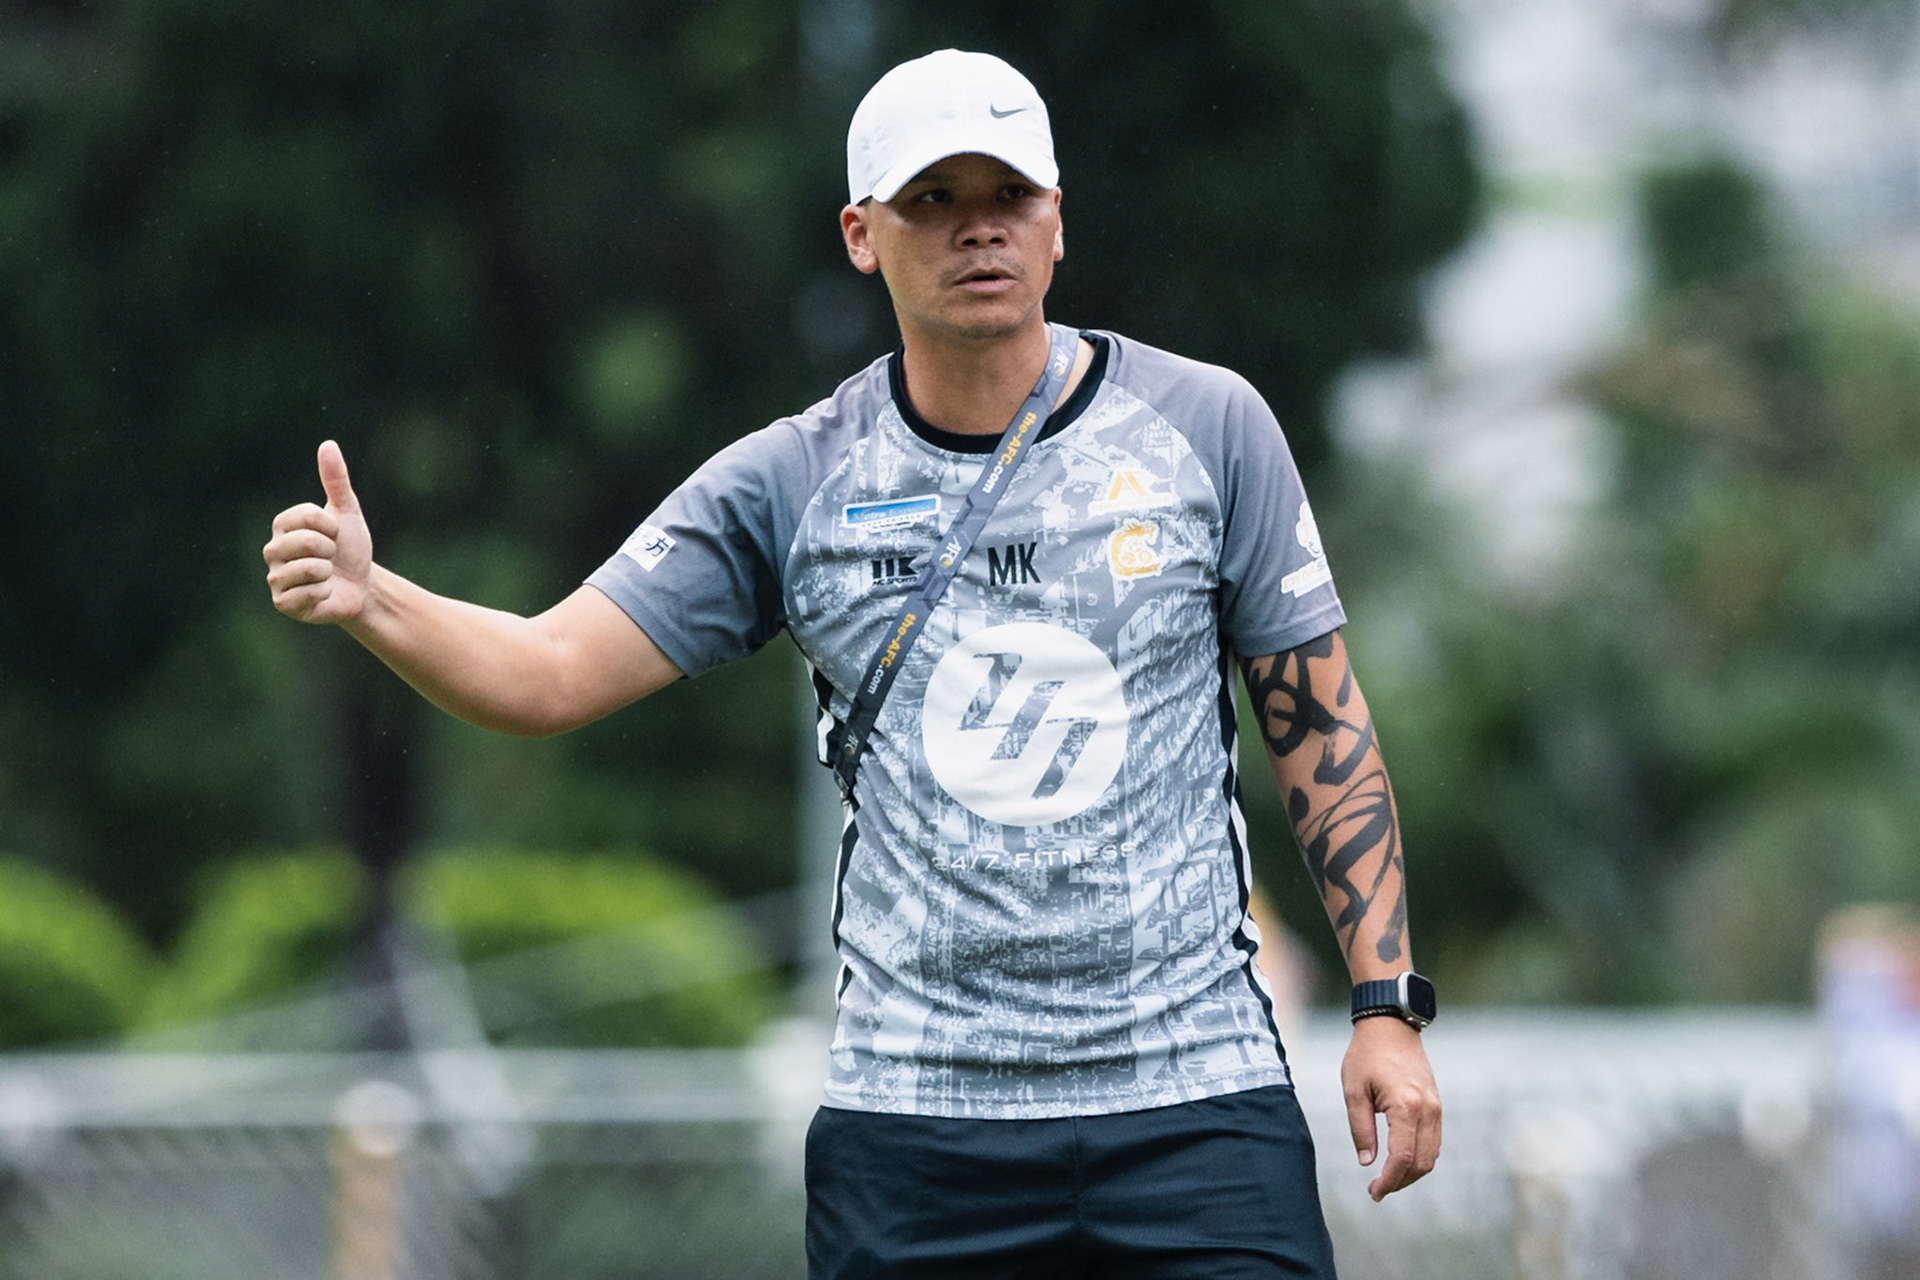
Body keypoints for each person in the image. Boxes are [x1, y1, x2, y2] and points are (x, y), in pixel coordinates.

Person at [264, 47, 1440, 1278]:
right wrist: (372, 595)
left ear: (1056, 223)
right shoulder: (794, 480)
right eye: (933, 200)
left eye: (1008, 198)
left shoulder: (1209, 427)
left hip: (1198, 1113)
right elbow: (548, 670)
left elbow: (1324, 731)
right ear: (860, 234)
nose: (977, 230)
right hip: (917, 1135)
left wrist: (1385, 1007)